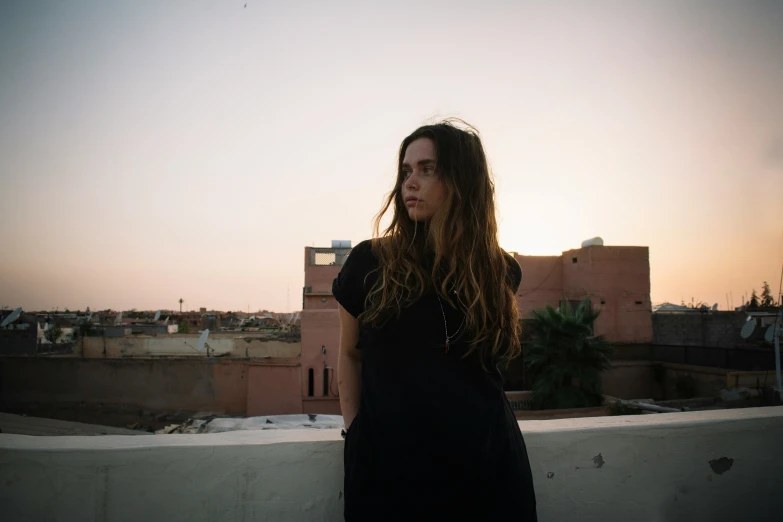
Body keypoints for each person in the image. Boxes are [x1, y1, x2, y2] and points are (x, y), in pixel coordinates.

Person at [333, 120, 538, 521]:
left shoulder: (498, 271)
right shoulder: (369, 263)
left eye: (428, 170)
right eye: (406, 171)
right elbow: (349, 356)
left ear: (463, 181)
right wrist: (356, 433)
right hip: (390, 478)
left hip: (489, 472)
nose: (410, 182)